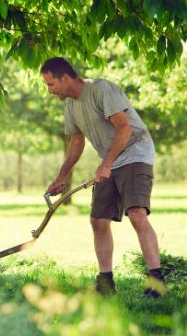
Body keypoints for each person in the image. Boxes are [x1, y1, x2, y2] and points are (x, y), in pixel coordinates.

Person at [41, 57, 167, 297]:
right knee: (98, 220)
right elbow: (76, 143)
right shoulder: (70, 106)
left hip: (135, 152)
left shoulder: (101, 89)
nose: (49, 91)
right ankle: (105, 283)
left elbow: (124, 128)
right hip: (110, 160)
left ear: (65, 78)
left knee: (136, 214)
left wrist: (106, 164)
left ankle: (156, 282)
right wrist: (61, 177)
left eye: (50, 84)